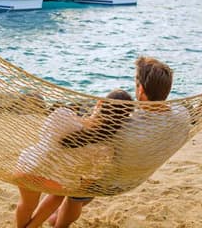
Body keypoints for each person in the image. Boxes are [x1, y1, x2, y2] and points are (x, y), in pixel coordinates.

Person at [32, 56, 183, 228]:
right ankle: (57, 216)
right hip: (134, 178)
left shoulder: (126, 130)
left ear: (140, 90)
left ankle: (60, 224)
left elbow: (99, 136)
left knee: (82, 182)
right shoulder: (181, 116)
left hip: (107, 180)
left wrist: (94, 115)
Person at [14, 89, 133, 228]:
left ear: (99, 103)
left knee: (26, 205)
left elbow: (43, 135)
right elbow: (90, 177)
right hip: (55, 183)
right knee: (59, 194)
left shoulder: (63, 115)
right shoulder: (105, 149)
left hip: (27, 167)